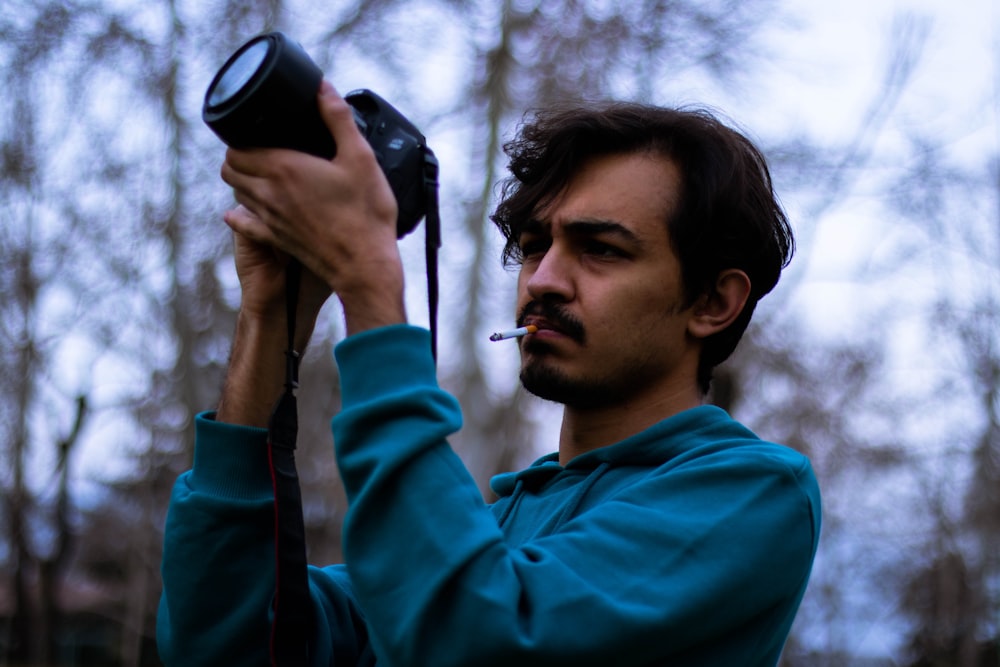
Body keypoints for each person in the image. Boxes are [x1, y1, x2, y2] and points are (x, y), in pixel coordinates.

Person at [157, 80, 821, 666]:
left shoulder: (754, 491)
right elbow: (225, 642)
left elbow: (471, 636)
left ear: (714, 302)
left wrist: (370, 284)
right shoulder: (496, 521)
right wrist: (271, 314)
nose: (543, 279)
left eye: (601, 250)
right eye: (533, 247)